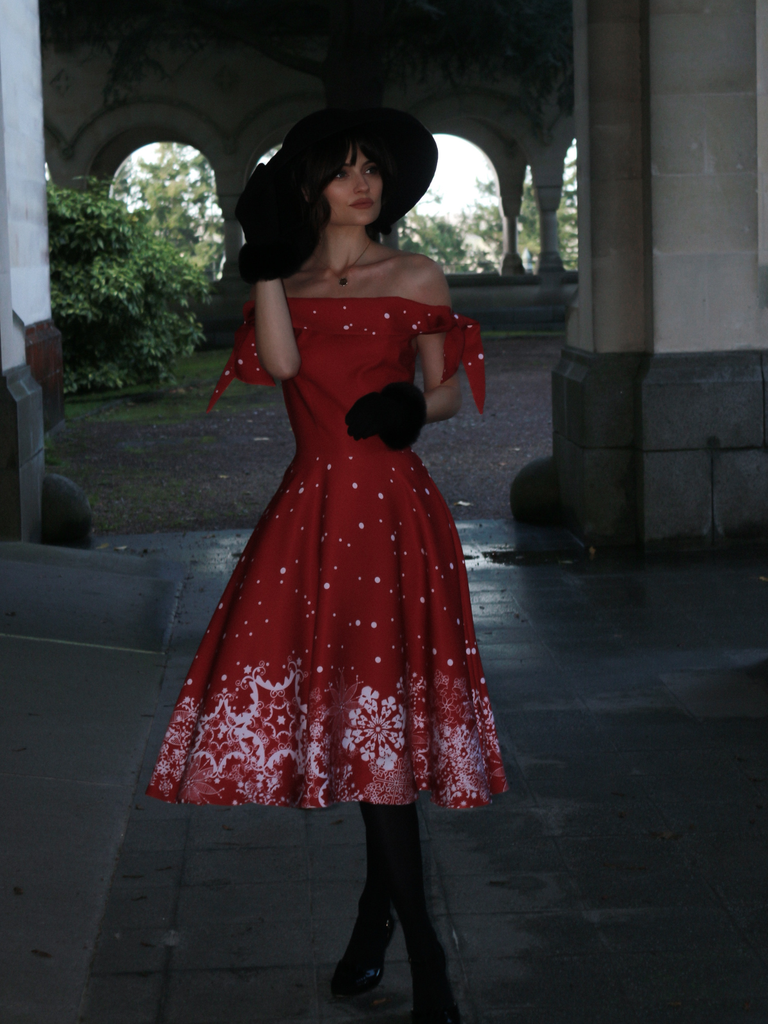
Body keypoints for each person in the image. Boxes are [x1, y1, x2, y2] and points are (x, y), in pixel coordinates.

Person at [146, 107, 508, 1024]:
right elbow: (277, 362)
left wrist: (411, 411)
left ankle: (421, 956)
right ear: (311, 187)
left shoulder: (417, 272)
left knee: (379, 724)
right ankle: (377, 919)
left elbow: (449, 391)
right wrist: (266, 264)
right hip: (310, 513)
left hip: (394, 513)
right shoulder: (287, 276)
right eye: (346, 170)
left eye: (374, 169)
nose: (365, 183)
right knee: (354, 719)